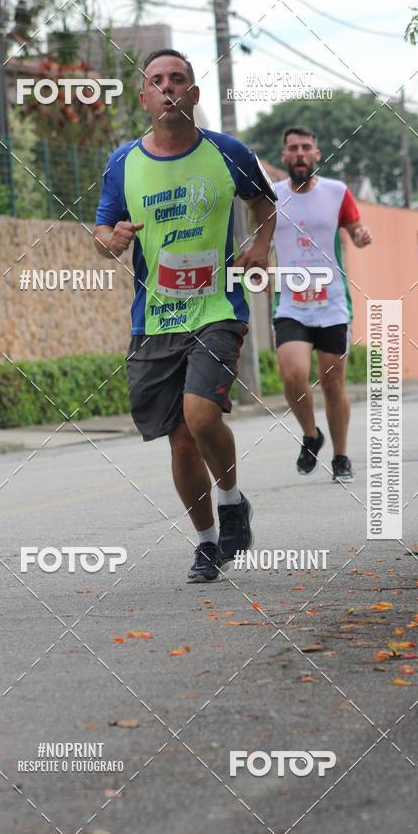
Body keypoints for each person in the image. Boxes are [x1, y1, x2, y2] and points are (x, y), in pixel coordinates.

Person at [93, 49, 276, 582]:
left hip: (217, 308)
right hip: (154, 321)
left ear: (194, 94)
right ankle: (206, 542)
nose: (168, 87)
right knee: (178, 440)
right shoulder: (123, 163)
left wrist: (259, 247)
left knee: (201, 415)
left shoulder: (228, 152)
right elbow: (102, 234)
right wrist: (113, 239)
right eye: (157, 80)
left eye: (179, 79)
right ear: (144, 97)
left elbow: (264, 204)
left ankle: (232, 499)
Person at [271, 125, 372, 483]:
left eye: (306, 147)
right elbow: (257, 234)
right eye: (293, 148)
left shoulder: (337, 192)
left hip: (331, 302)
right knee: (292, 373)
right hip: (291, 302)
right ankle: (311, 434)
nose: (300, 153)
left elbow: (356, 233)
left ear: (316, 154)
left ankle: (341, 456)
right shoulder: (271, 196)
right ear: (284, 156)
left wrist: (360, 236)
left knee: (333, 384)